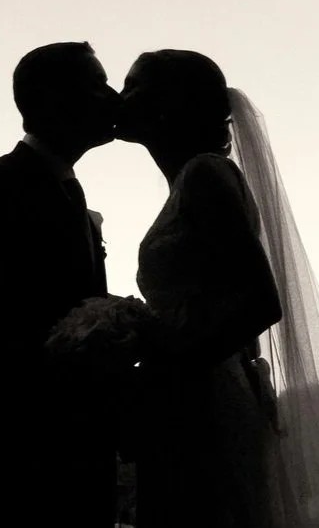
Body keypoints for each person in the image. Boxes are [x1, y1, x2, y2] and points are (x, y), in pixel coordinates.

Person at [0, 42, 123, 527]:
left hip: (73, 461)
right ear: (51, 99)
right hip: (9, 470)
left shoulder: (71, 191)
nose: (111, 96)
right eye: (96, 84)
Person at [118, 49, 283, 528]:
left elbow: (260, 301)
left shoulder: (205, 175)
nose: (119, 98)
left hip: (203, 400)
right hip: (193, 392)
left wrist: (159, 369)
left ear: (170, 103)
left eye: (132, 86)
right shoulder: (190, 181)